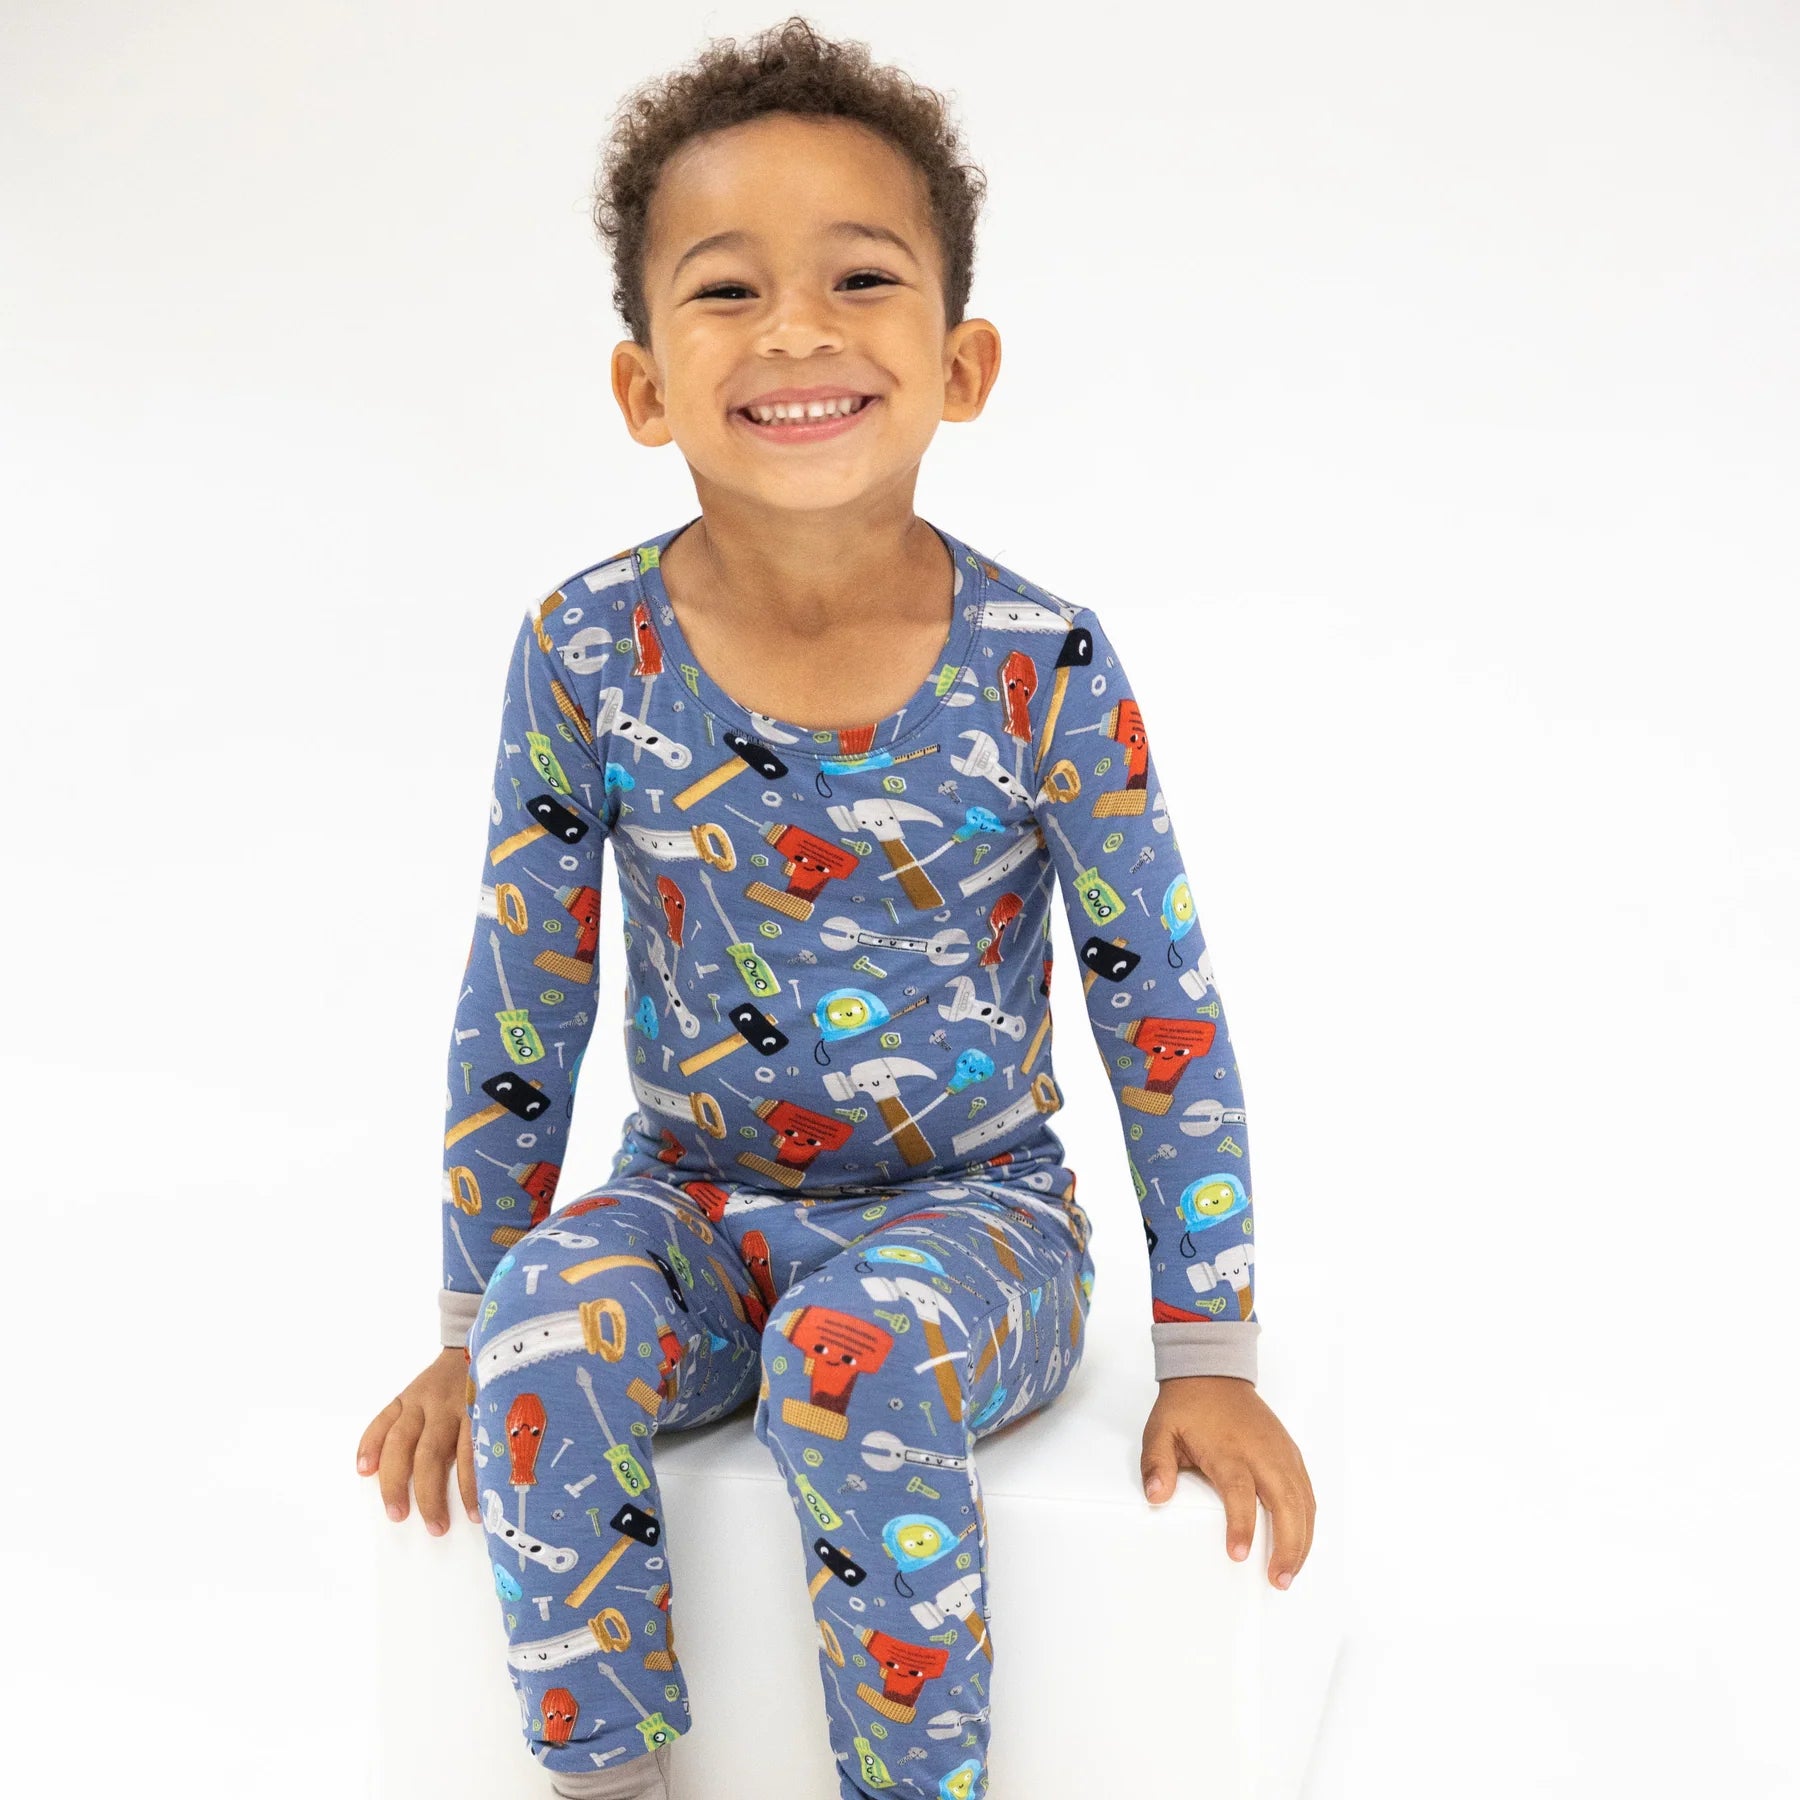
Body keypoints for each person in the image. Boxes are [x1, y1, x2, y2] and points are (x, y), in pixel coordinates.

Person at [355, 16, 1315, 1799]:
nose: (796, 329)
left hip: (980, 1216)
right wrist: (468, 1328)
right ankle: (612, 1784)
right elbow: (522, 1002)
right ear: (643, 386)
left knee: (848, 1359)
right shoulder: (586, 649)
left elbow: (1160, 1006)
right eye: (726, 290)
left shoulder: (1044, 664)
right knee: (549, 1335)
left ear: (961, 363)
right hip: (691, 1206)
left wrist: (1212, 1350)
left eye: (860, 278)